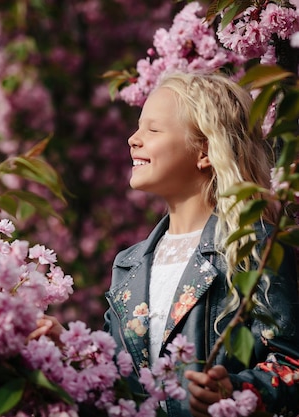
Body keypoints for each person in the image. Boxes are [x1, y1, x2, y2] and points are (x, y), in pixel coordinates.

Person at [31, 72, 299, 417]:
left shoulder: (250, 246)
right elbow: (119, 381)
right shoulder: (129, 265)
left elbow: (290, 359)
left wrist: (236, 391)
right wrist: (68, 347)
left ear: (204, 150)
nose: (132, 139)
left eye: (152, 130)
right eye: (138, 127)